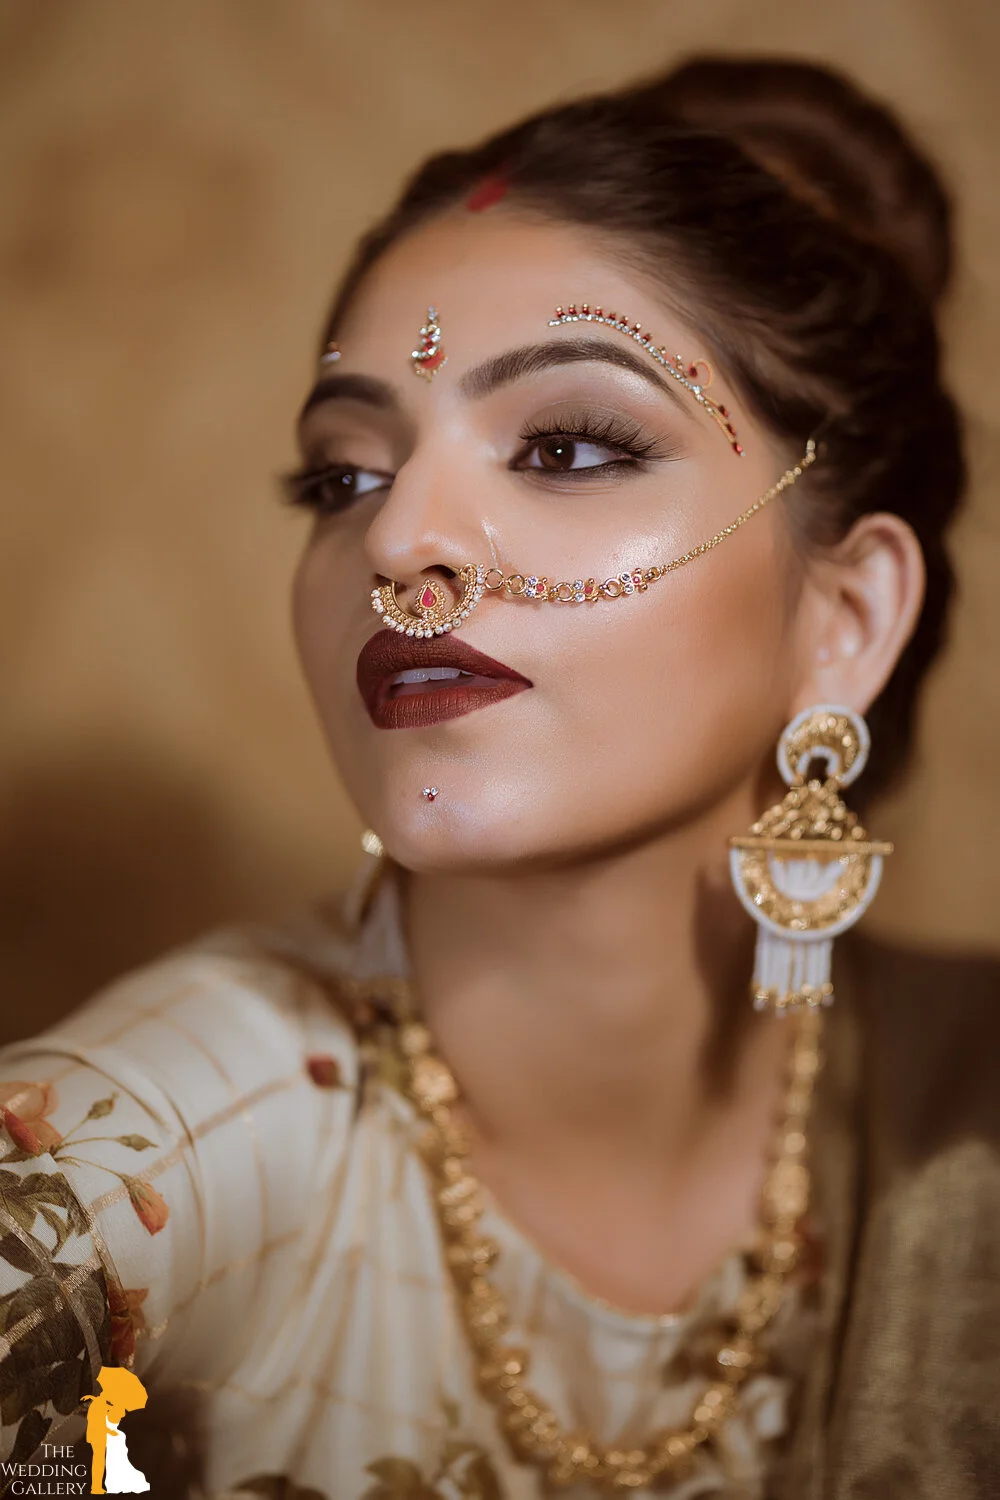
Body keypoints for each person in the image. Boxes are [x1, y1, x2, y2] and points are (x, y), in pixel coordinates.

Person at [0, 52, 995, 1500]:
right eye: (342, 476)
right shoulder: (160, 1149)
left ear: (842, 618)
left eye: (571, 444)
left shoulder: (963, 1109)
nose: (400, 543)